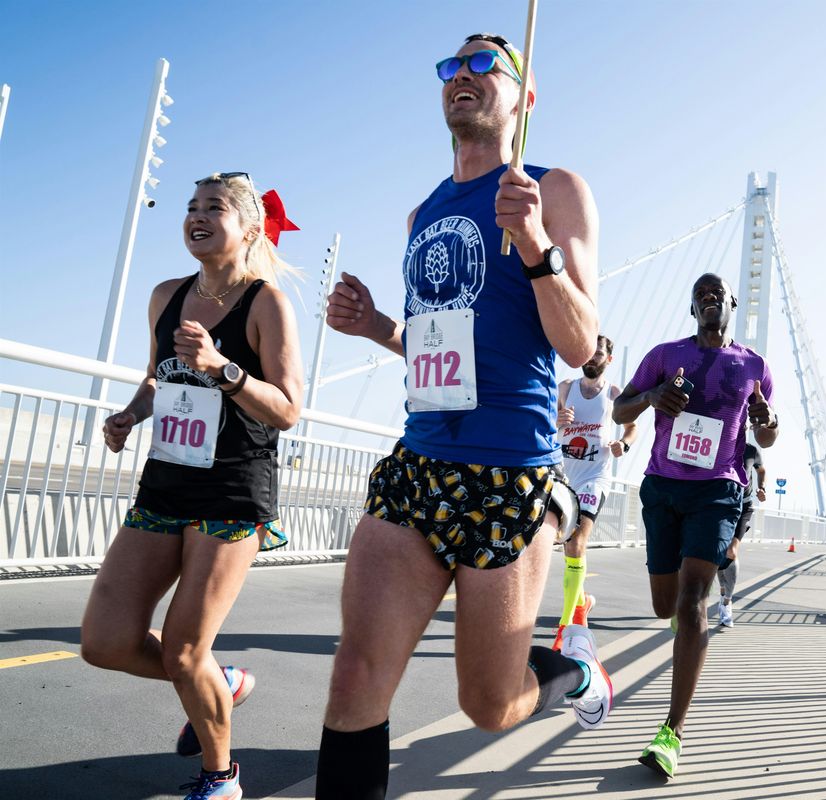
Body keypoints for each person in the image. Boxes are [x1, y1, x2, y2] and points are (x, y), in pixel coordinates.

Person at [315, 33, 609, 799]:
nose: (462, 76)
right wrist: (376, 325)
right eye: (451, 66)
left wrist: (535, 244)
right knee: (355, 677)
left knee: (488, 704)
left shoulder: (555, 188)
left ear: (525, 97)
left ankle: (575, 673)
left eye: (483, 64)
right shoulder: (424, 212)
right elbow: (438, 343)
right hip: (419, 463)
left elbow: (581, 344)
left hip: (506, 472)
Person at [80, 172, 304, 800]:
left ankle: (220, 776)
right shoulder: (166, 295)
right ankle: (219, 681)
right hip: (165, 484)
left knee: (183, 651)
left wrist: (223, 368)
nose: (197, 216)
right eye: (191, 206)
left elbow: (288, 409)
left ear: (250, 228)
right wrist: (131, 414)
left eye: (215, 207)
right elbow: (159, 376)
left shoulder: (266, 303)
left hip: (232, 490)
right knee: (104, 641)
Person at [613, 272, 779, 779]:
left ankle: (672, 732)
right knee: (665, 605)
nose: (709, 299)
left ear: (732, 304)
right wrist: (653, 396)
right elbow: (620, 410)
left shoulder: (754, 366)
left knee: (691, 602)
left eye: (717, 294)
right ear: (692, 309)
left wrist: (767, 421)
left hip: (717, 491)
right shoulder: (665, 356)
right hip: (663, 487)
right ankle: (685, 624)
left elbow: (767, 438)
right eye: (700, 295)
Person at [553, 334, 638, 650]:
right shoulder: (565, 388)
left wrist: (623, 444)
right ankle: (581, 604)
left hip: (594, 477)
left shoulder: (615, 395)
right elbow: (546, 422)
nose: (592, 357)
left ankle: (565, 626)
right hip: (563, 477)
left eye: (598, 353)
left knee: (576, 543)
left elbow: (631, 427)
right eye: (589, 351)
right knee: (564, 546)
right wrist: (557, 419)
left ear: (608, 360)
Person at [717, 438, 766, 627]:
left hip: (743, 506)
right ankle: (723, 590)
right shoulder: (721, 442)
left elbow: (761, 470)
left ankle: (726, 602)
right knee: (719, 552)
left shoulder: (751, 450)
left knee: (731, 551)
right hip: (720, 505)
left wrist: (762, 488)